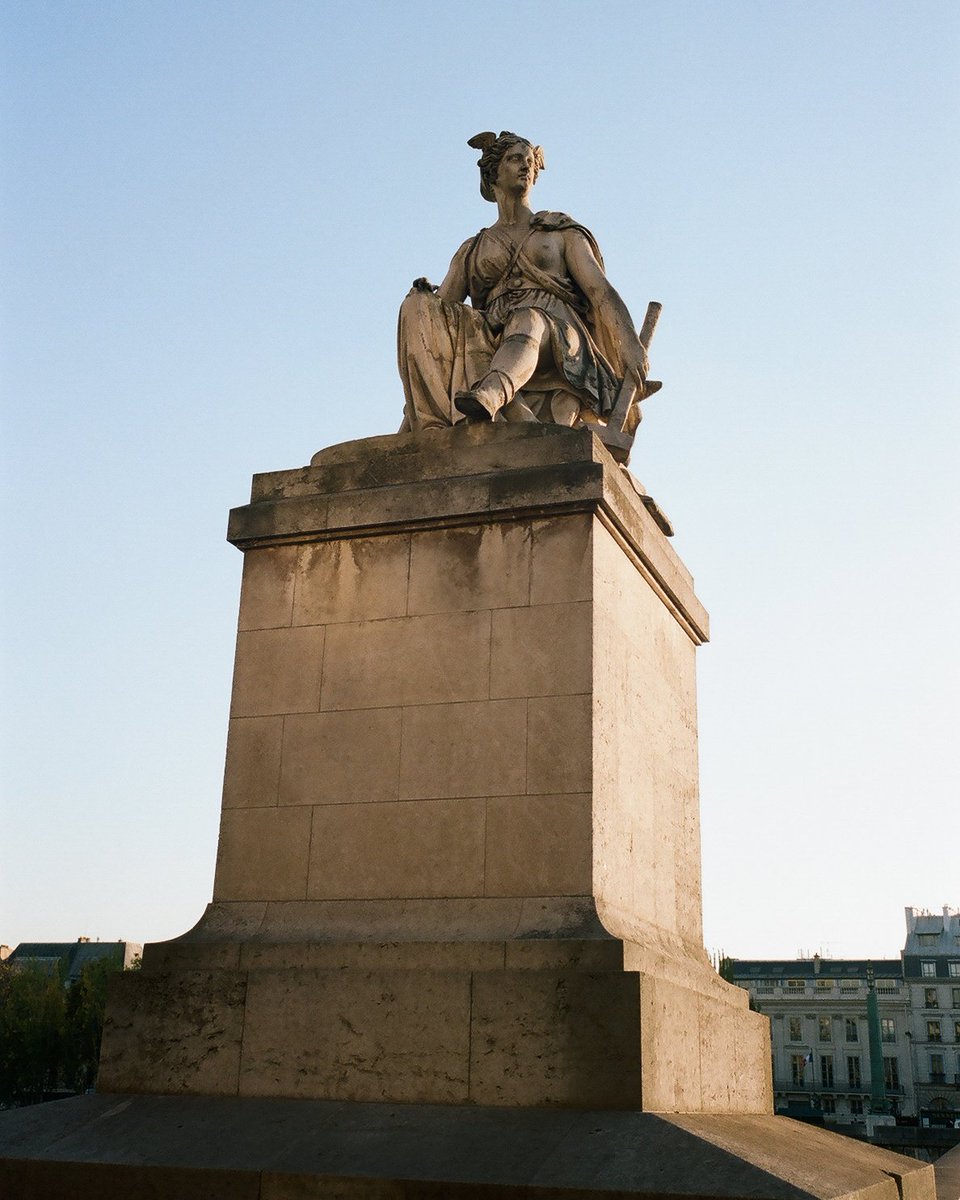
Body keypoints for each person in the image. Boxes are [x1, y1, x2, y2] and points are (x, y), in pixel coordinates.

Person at [398, 131, 653, 438]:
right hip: (492, 334)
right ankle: (427, 424)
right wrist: (425, 298)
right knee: (415, 305)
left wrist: (630, 345)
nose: (525, 167)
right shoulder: (474, 248)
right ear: (494, 171)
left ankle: (492, 395)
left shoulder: (559, 231)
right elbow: (445, 311)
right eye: (515, 159)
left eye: (530, 161)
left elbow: (599, 290)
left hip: (559, 337)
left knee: (528, 319)